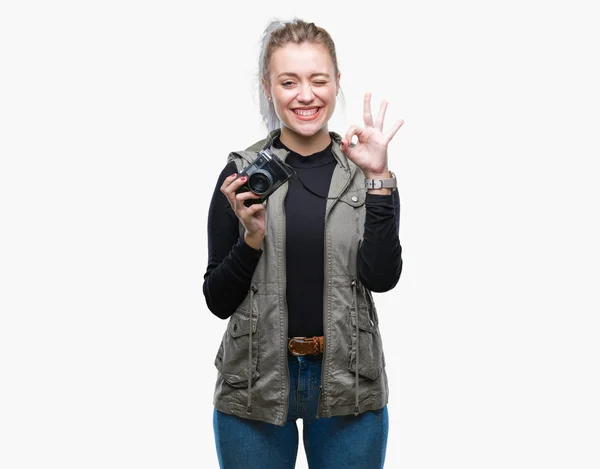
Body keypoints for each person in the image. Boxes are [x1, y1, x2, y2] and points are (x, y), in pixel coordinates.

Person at [203, 18, 404, 469]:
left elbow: (382, 277)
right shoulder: (241, 173)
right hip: (254, 381)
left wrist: (378, 181)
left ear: (337, 83)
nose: (306, 95)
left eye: (319, 80)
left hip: (350, 380)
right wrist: (252, 236)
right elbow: (217, 299)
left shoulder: (365, 174)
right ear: (268, 86)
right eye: (289, 81)